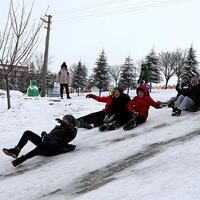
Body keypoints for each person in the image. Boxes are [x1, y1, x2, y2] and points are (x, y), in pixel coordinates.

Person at [2, 115, 77, 167]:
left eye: (65, 120)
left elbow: (70, 133)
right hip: (47, 143)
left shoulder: (73, 131)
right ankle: (16, 150)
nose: (63, 120)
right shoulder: (58, 128)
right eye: (63, 119)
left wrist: (64, 124)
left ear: (70, 122)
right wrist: (44, 134)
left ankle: (22, 159)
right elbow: (50, 136)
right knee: (28, 133)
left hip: (54, 147)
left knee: (43, 144)